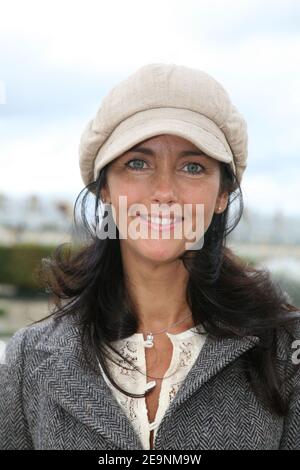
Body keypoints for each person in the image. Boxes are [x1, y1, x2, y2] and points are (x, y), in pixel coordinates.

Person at [1, 63, 300, 450]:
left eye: (193, 167)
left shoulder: (285, 352)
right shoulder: (29, 359)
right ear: (104, 187)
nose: (163, 191)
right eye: (138, 163)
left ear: (223, 192)